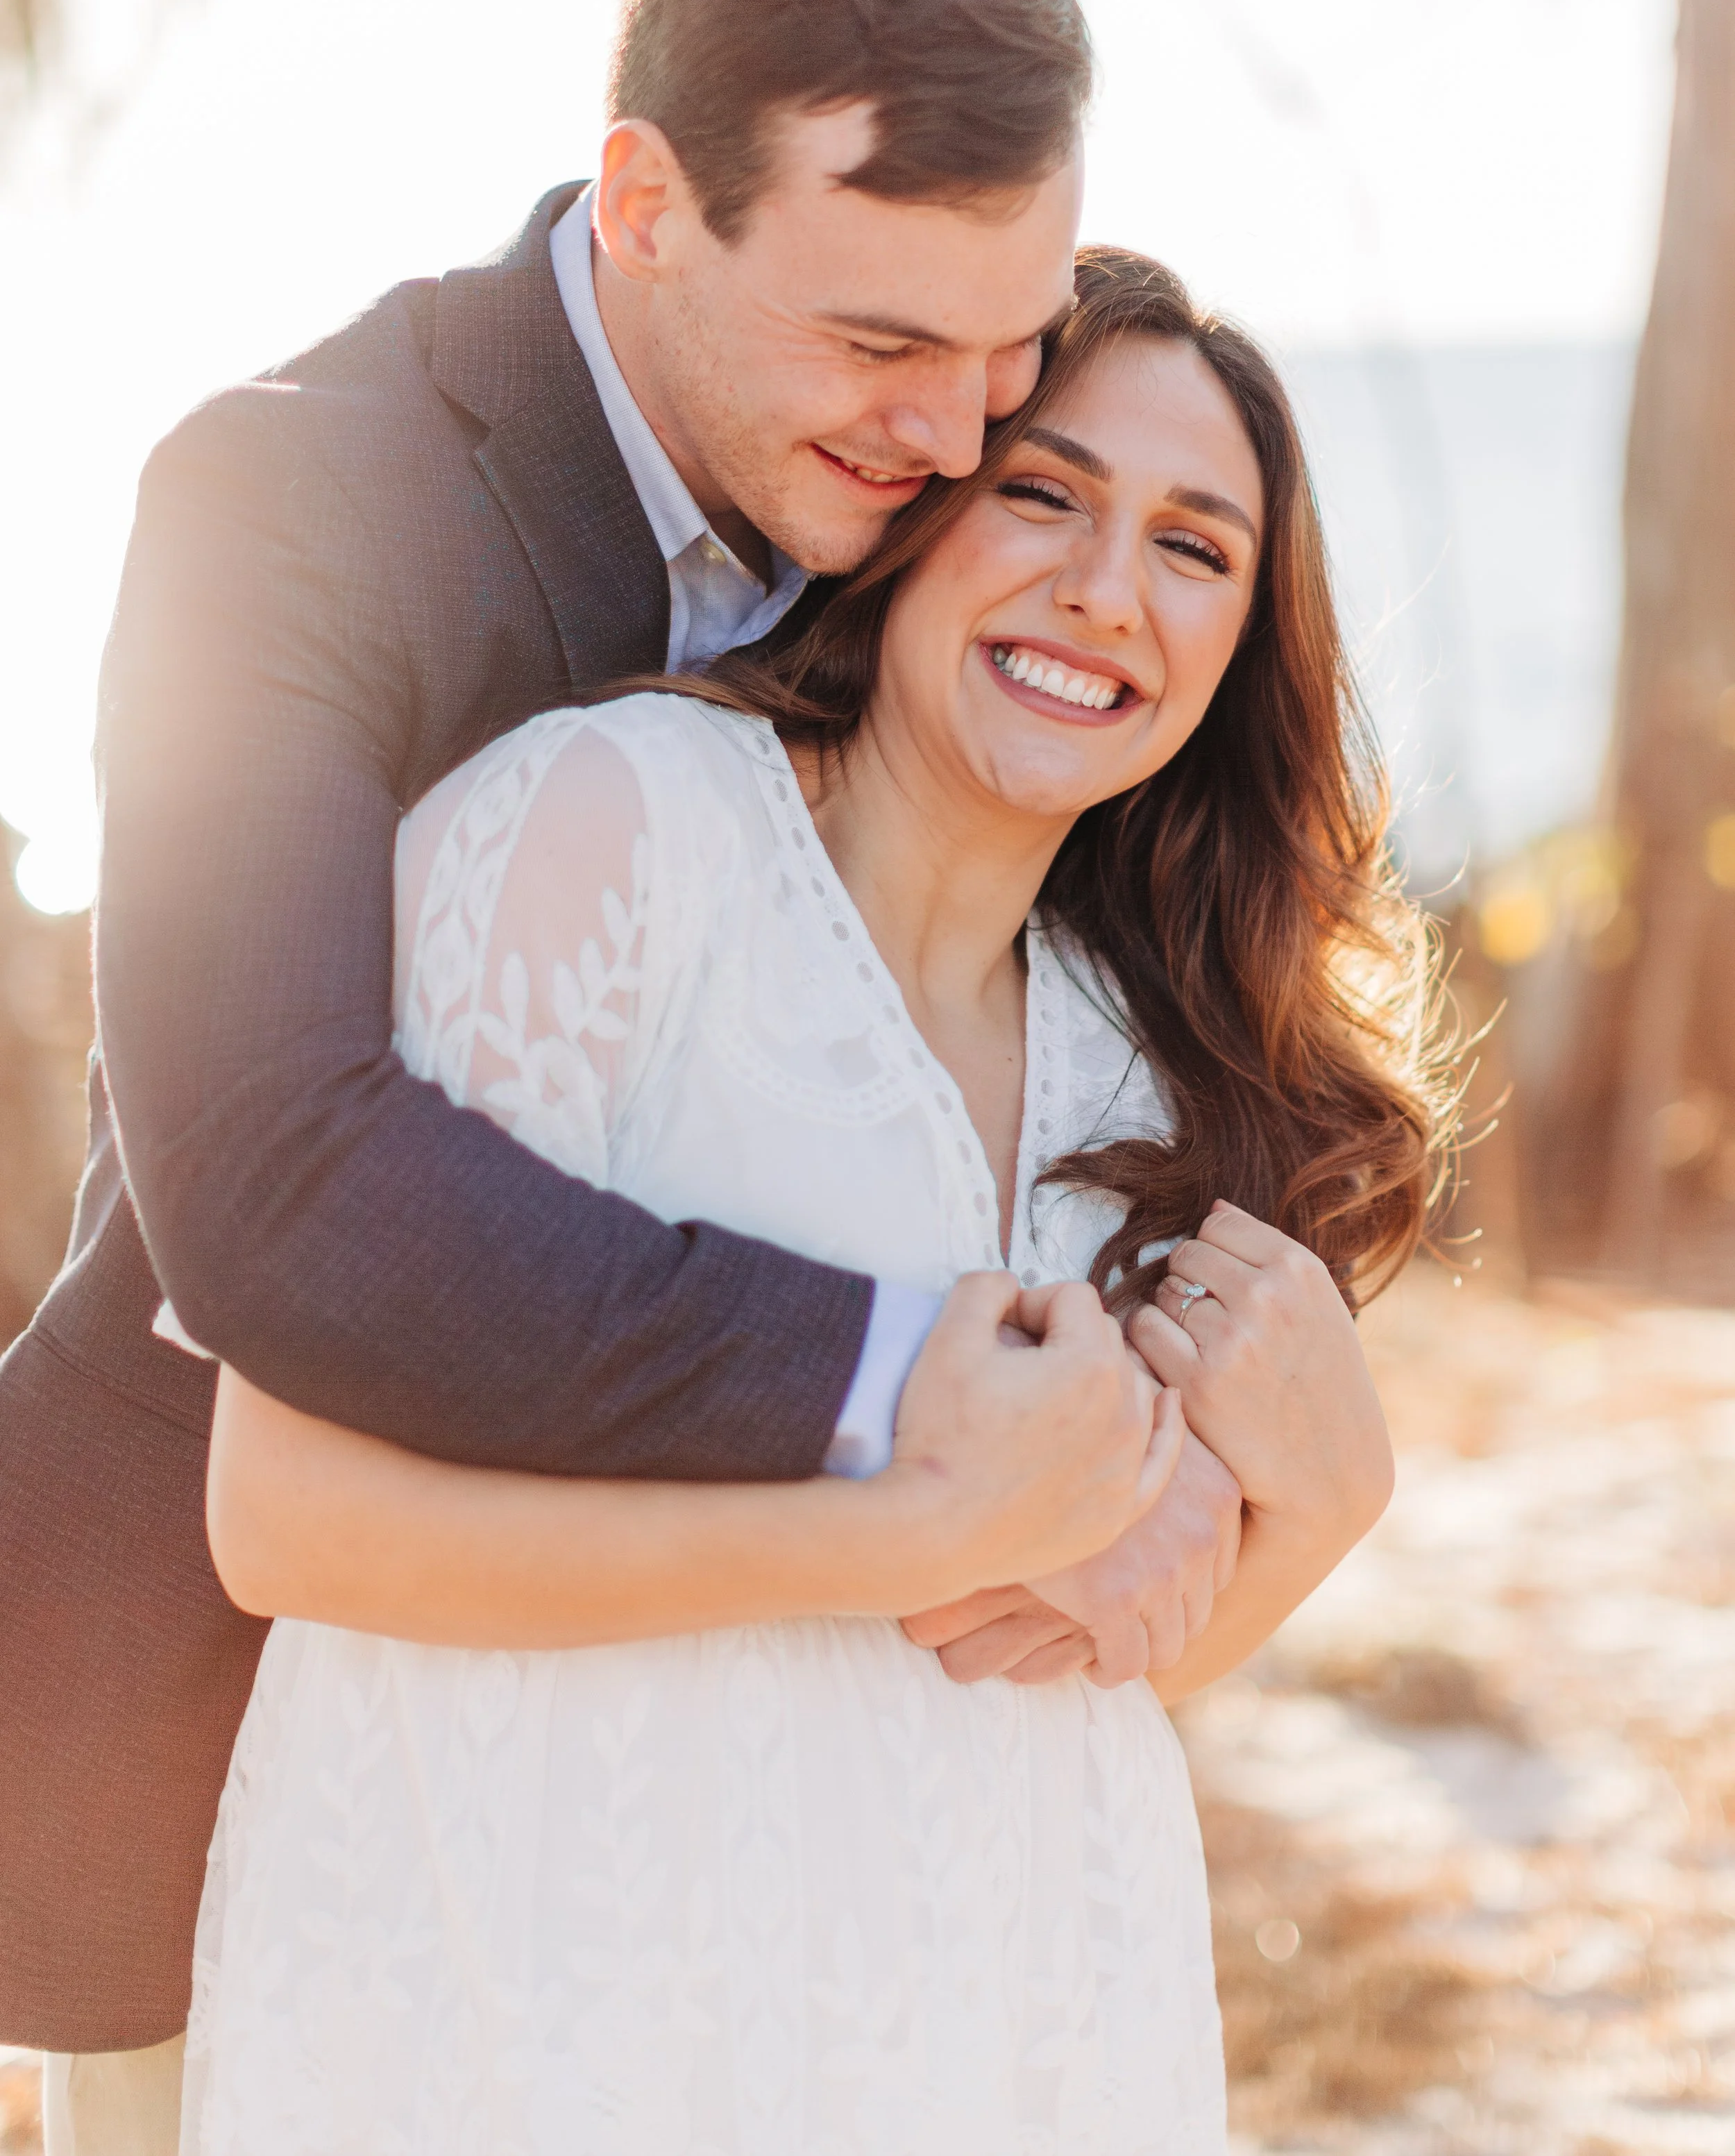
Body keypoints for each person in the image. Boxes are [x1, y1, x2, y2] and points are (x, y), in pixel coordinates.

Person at [0, 0, 1244, 2146]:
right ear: (647, 201)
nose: (957, 432)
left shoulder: (940, 493)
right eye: (880, 339)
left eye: (1007, 347)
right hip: (217, 1683)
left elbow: (1108, 941)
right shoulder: (288, 504)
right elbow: (273, 1182)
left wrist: (1300, 1450)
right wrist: (899, 1371)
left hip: (736, 1816)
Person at [170, 247, 1442, 2152]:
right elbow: (285, 1516)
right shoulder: (609, 835)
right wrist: (906, 1528)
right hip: (526, 2023)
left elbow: (1065, 1671)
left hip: (1001, 2050)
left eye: (1195, 548)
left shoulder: (1146, 1077)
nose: (1105, 587)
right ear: (913, 514)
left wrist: (1323, 1508)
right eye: (1044, 492)